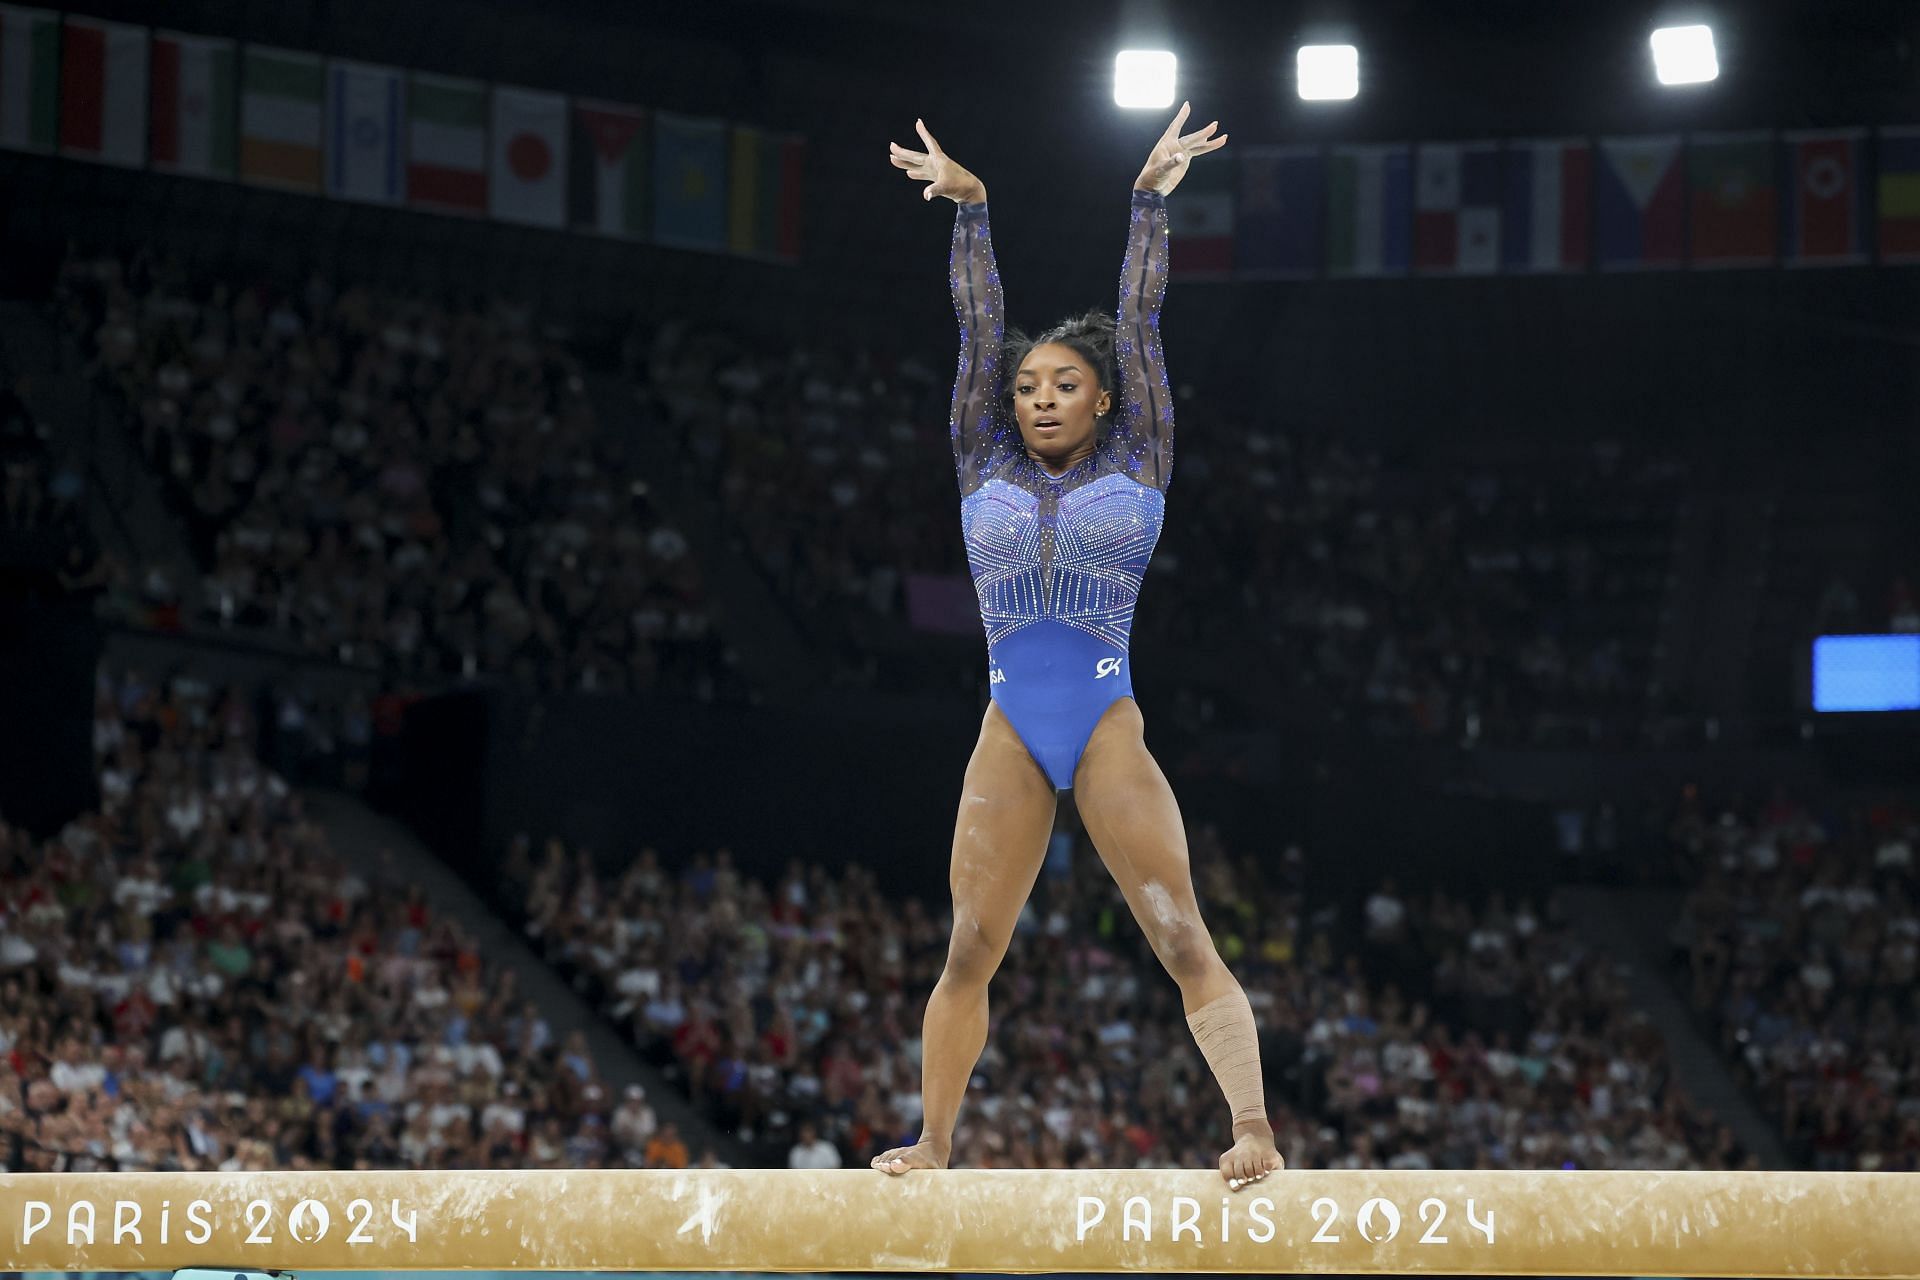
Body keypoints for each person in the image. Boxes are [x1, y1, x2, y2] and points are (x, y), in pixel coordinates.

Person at [872, 106, 1280, 1190]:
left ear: (1106, 395)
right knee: (968, 946)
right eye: (1026, 386)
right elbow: (976, 328)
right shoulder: (980, 456)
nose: (1041, 397)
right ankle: (937, 1141)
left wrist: (1148, 203)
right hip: (1011, 724)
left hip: (1103, 720)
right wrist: (971, 211)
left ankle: (1254, 1127)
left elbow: (1142, 315)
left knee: (1180, 931)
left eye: (1063, 383)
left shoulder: (1142, 451)